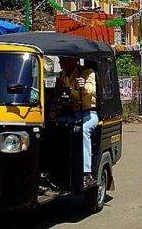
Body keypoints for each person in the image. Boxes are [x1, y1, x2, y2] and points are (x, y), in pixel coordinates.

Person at [58, 58, 98, 187]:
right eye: (60, 60)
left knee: (83, 130)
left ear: (73, 60)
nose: (60, 63)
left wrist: (83, 85)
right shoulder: (62, 75)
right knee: (53, 125)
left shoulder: (87, 73)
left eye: (63, 60)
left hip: (90, 113)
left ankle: (86, 174)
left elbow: (91, 90)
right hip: (73, 114)